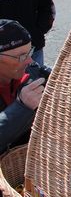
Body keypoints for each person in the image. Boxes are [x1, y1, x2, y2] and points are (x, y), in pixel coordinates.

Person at [0, 20, 47, 154]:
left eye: (29, 52)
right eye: (20, 56)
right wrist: (22, 107)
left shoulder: (31, 74)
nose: (30, 61)